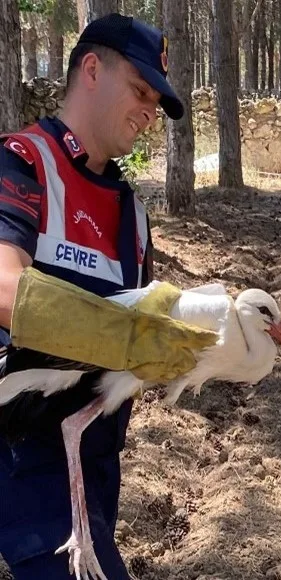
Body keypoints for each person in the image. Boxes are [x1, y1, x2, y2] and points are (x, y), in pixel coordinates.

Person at [0, 13, 218, 579]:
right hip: (22, 448)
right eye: (141, 90)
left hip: (94, 459)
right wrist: (126, 337)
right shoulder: (23, 163)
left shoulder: (133, 216)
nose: (150, 112)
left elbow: (144, 335)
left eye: (158, 102)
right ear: (91, 69)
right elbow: (3, 287)